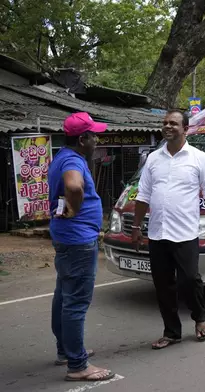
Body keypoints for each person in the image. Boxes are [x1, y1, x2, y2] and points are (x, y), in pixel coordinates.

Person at [132, 109, 205, 349]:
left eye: (173, 123)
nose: (167, 126)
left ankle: (200, 318)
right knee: (162, 285)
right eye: (164, 123)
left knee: (189, 280)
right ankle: (171, 332)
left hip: (184, 233)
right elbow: (143, 195)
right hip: (157, 232)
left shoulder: (199, 158)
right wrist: (136, 226)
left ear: (186, 128)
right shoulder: (153, 158)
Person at [48, 112, 114, 381]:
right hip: (77, 240)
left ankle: (66, 350)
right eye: (94, 135)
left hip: (66, 236)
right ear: (83, 138)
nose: (97, 139)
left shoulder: (62, 156)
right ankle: (77, 365)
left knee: (64, 293)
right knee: (75, 301)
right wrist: (75, 209)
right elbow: (74, 186)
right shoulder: (73, 160)